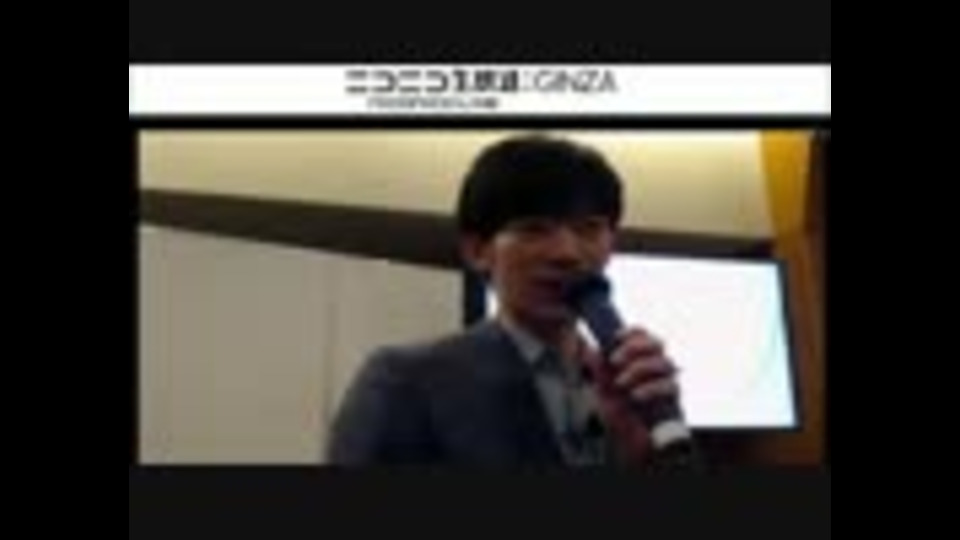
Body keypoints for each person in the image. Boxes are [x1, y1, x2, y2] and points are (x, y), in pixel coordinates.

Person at [327, 134, 701, 468]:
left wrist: (633, 452)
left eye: (589, 228)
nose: (567, 253)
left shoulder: (633, 385)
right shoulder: (407, 381)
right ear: (477, 251)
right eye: (534, 229)